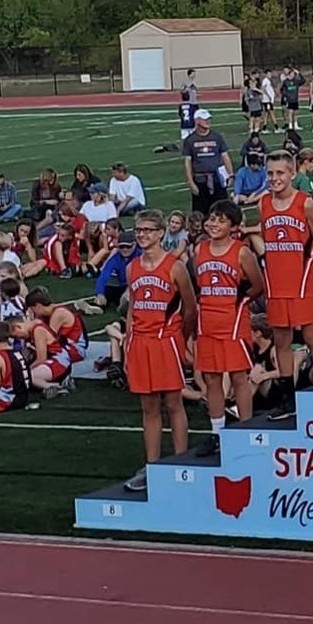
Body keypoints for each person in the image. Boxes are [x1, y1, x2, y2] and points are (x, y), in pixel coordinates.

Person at [123, 209, 197, 492]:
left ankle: (180, 460)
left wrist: (182, 340)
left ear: (161, 233)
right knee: (148, 406)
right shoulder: (133, 268)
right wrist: (128, 344)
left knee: (173, 402)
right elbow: (133, 308)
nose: (142, 235)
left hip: (166, 340)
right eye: (139, 230)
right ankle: (152, 465)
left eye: (148, 230)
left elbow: (190, 308)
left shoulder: (174, 266)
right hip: (140, 342)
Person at [260, 150, 313, 420]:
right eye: (270, 173)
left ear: (292, 174)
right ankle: (288, 395)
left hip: (300, 282)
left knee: (312, 335)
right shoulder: (263, 204)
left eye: (280, 173)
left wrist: (312, 269)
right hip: (276, 283)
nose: (275, 178)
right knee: (282, 339)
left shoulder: (305, 203)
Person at [193, 200, 264, 456]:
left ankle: (245, 429)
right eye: (212, 218)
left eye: (221, 220)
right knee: (212, 379)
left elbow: (257, 284)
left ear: (233, 226)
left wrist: (239, 300)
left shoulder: (241, 252)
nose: (214, 224)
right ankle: (217, 433)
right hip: (207, 323)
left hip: (233, 324)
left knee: (238, 377)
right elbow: (199, 285)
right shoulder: (199, 250)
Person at [183, 109, 235, 215]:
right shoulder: (190, 140)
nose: (208, 121)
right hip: (200, 180)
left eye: (208, 119)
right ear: (197, 121)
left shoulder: (217, 137)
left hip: (218, 179)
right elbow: (188, 162)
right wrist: (191, 182)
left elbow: (225, 156)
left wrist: (230, 174)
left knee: (221, 210)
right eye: (204, 119)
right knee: (200, 212)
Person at [95, 230, 139, 309]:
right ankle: (99, 304)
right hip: (123, 286)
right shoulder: (116, 258)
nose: (125, 249)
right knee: (107, 289)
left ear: (134, 245)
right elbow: (104, 276)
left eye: (128, 246)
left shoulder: (141, 255)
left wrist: (129, 290)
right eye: (122, 247)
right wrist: (100, 293)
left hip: (140, 285)